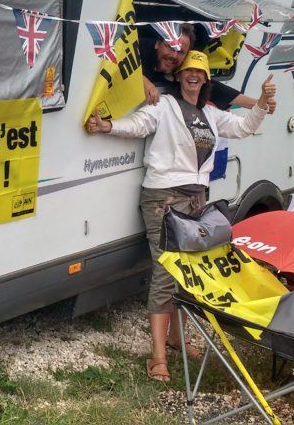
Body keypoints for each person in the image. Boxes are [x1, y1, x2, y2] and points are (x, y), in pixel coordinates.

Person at [86, 50, 276, 382]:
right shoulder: (165, 105)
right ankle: (158, 356)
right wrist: (107, 126)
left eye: (199, 72)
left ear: (206, 79)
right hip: (163, 198)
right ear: (179, 76)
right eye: (188, 71)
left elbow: (244, 127)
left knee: (189, 272)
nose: (193, 76)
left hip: (196, 199)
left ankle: (177, 338)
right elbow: (139, 124)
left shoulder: (211, 113)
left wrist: (260, 103)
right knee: (165, 272)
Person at [140, 24, 274, 113]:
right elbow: (125, 68)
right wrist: (142, 80)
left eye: (181, 52)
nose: (174, 55)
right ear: (157, 44)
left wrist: (259, 104)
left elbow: (215, 88)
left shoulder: (180, 66)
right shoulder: (137, 48)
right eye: (171, 47)